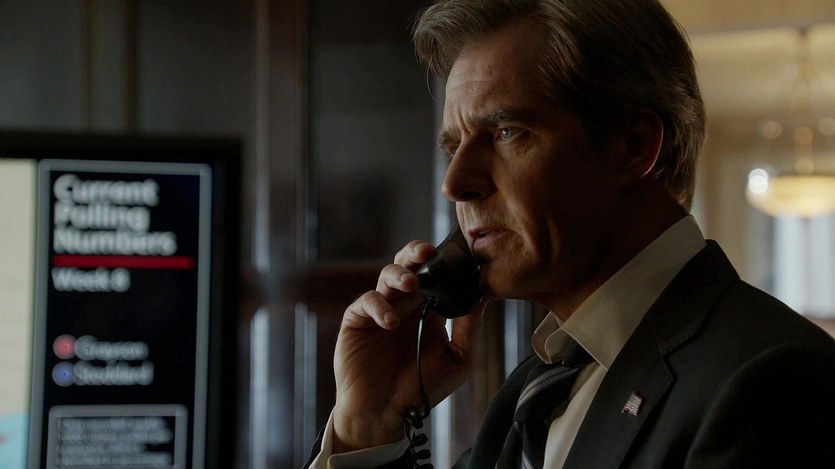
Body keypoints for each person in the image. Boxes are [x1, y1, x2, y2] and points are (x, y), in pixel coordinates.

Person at [305, 0, 835, 467]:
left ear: (632, 146)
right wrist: (369, 427)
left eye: (507, 132)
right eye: (454, 146)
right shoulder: (531, 394)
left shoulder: (773, 381)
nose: (454, 183)